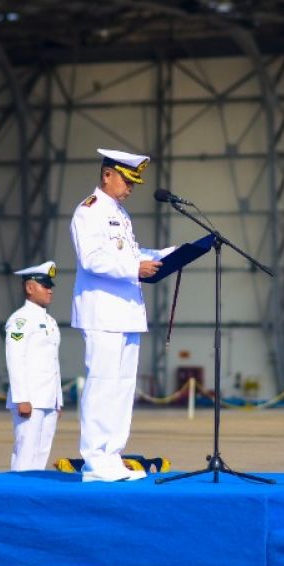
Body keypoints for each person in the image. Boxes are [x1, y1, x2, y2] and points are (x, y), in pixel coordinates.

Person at [69, 148, 173, 483]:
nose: (131, 188)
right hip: (102, 311)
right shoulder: (90, 211)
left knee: (123, 387)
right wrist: (134, 266)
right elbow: (92, 259)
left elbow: (128, 254)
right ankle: (95, 461)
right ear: (107, 175)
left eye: (134, 182)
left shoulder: (119, 214)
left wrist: (167, 256)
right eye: (127, 180)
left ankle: (112, 455)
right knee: (102, 385)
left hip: (126, 312)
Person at [4, 261, 63, 471]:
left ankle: (33, 497)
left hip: (47, 398)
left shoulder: (50, 321)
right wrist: (21, 398)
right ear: (30, 288)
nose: (49, 290)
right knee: (26, 453)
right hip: (30, 398)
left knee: (41, 454)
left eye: (50, 286)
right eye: (44, 285)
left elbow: (52, 362)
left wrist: (58, 399)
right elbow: (15, 359)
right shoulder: (20, 320)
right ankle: (16, 496)